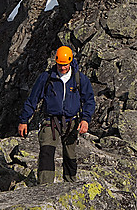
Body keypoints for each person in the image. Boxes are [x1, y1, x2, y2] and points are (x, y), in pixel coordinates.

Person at [18, 45, 95, 183]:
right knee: (46, 153)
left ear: (70, 62)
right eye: (60, 64)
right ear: (56, 62)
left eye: (65, 65)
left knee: (70, 155)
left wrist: (85, 119)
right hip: (50, 121)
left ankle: (70, 184)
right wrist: (24, 120)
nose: (63, 68)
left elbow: (89, 100)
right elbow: (33, 99)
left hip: (72, 121)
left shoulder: (79, 79)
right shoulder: (46, 78)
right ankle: (44, 187)